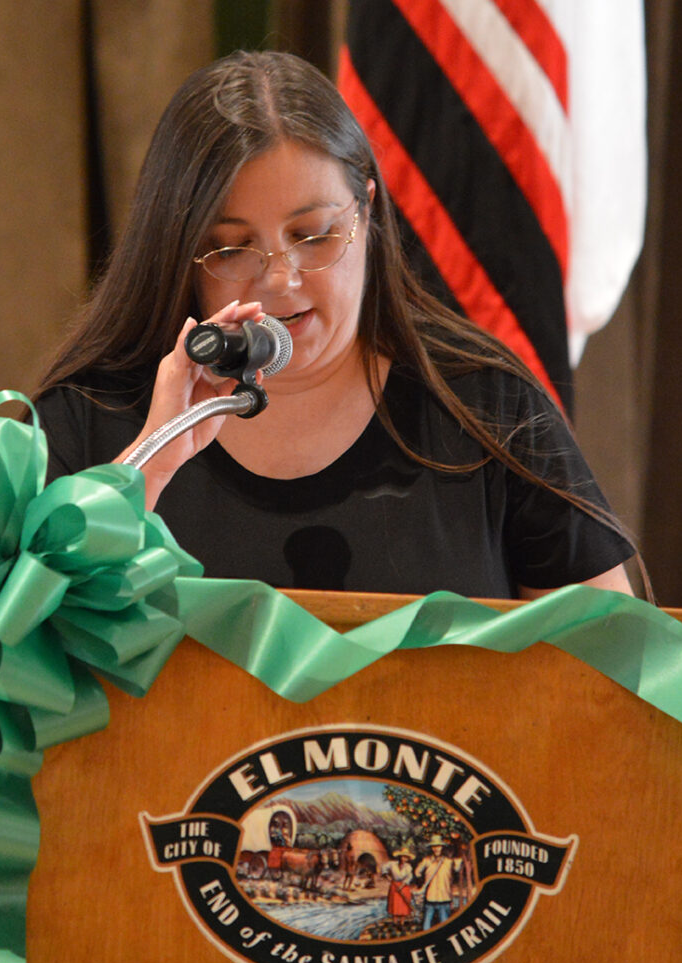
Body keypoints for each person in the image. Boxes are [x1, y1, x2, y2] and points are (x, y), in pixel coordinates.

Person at [32, 50, 637, 599]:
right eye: (233, 248)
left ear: (367, 212)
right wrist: (150, 464)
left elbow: (611, 659)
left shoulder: (485, 404)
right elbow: (10, 642)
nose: (280, 279)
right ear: (178, 251)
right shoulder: (87, 418)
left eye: (313, 235)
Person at [415, 835, 462, 930]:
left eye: (438, 846)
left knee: (444, 925)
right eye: (434, 846)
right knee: (427, 925)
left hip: (444, 898)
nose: (436, 848)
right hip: (430, 898)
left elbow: (457, 868)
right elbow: (417, 872)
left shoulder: (448, 861)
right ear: (431, 848)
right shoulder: (426, 860)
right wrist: (422, 884)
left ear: (442, 847)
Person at [382, 847, 415, 923]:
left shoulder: (408, 867)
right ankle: (395, 922)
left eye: (406, 857)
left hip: (404, 887)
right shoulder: (392, 864)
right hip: (394, 885)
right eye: (403, 856)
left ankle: (402, 923)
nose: (404, 859)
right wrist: (387, 875)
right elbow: (383, 867)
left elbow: (409, 877)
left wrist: (402, 885)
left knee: (403, 905)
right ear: (400, 856)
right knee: (395, 904)